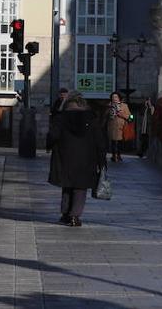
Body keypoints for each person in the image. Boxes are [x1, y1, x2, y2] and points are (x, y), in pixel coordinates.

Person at [47, 92, 107, 227]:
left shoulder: (61, 118)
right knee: (80, 187)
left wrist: (49, 146)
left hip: (65, 156)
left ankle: (65, 214)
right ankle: (75, 216)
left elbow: (53, 135)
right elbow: (100, 141)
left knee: (67, 185)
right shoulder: (91, 119)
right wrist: (101, 159)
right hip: (86, 158)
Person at [105, 92, 132, 162]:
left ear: (119, 98)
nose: (114, 99)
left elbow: (131, 117)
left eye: (116, 97)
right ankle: (114, 155)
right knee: (113, 142)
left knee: (119, 142)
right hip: (112, 127)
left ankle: (118, 155)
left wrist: (122, 114)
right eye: (113, 97)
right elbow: (105, 116)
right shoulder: (109, 105)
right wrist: (108, 110)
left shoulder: (124, 106)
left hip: (121, 127)